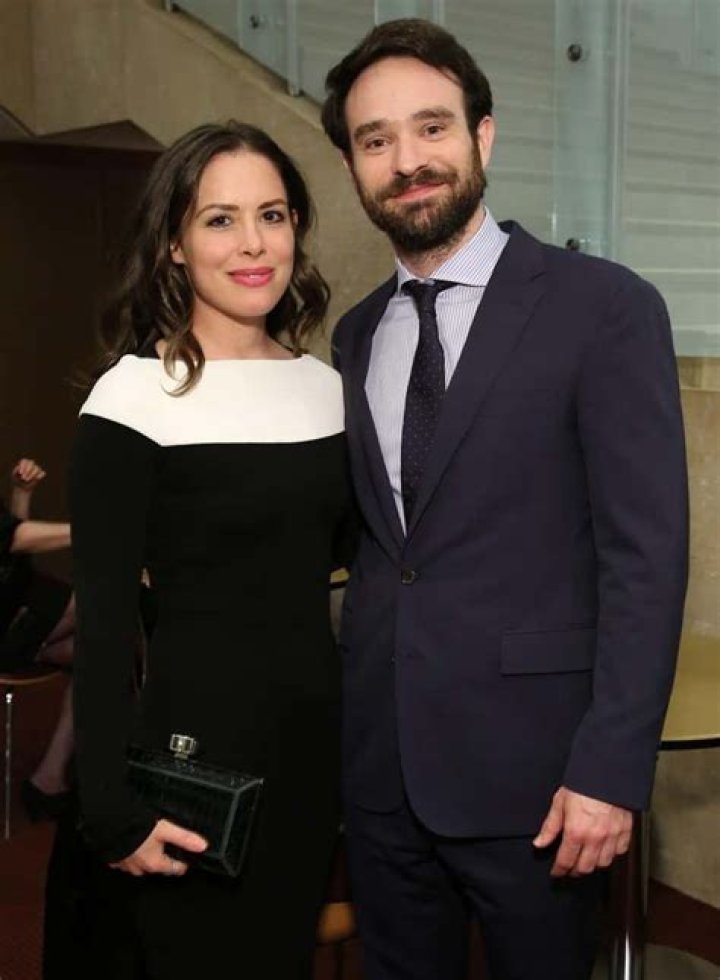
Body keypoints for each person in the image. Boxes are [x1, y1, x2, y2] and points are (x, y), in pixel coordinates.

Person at [322, 19, 688, 980]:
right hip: (383, 775)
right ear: (353, 167)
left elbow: (646, 560)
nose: (408, 161)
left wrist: (610, 769)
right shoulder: (356, 335)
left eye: (431, 127)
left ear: (482, 135)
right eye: (375, 140)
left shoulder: (604, 308)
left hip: (542, 782)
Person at [69, 121, 351, 978]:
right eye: (220, 219)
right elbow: (105, 626)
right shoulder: (132, 398)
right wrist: (108, 808)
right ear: (173, 243)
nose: (253, 244)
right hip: (190, 759)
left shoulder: (327, 391)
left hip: (313, 750)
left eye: (272, 214)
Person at [0, 457, 75, 818]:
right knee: (107, 608)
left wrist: (21, 494)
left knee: (106, 652)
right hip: (12, 622)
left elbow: (12, 552)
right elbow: (13, 539)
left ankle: (49, 780)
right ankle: (48, 785)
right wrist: (97, 527)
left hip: (20, 607)